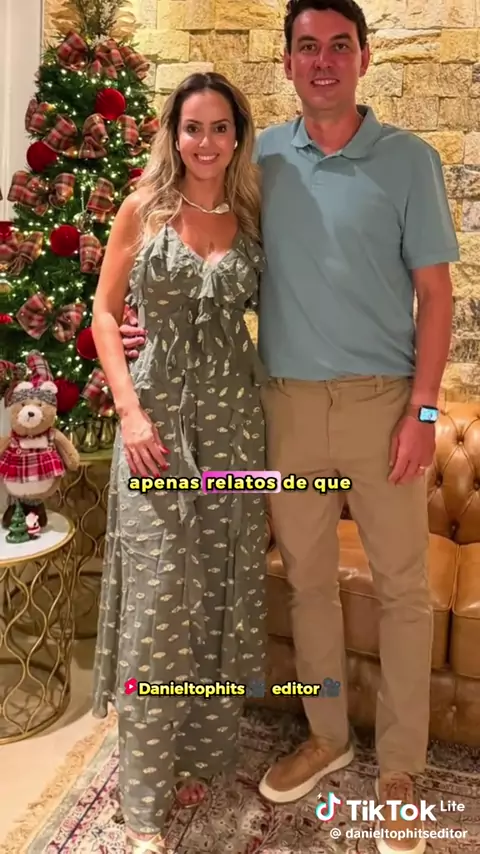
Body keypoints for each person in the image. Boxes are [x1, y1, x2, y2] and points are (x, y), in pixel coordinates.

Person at [119, 1, 459, 852]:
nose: (323, 60)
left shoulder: (410, 161)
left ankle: (401, 767)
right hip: (284, 409)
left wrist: (424, 411)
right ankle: (328, 735)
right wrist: (140, 323)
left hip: (384, 409)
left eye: (339, 45)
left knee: (403, 593)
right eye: (307, 46)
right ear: (287, 62)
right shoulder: (257, 160)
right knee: (307, 583)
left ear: (364, 57)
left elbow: (437, 296)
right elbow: (196, 245)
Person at [90, 72, 268, 853]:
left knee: (217, 595)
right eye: (193, 127)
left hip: (234, 427)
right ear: (173, 133)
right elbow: (104, 314)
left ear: (237, 137)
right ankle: (142, 800)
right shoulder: (144, 209)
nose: (206, 142)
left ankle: (193, 758)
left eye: (220, 128)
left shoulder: (252, 218)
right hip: (156, 427)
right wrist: (129, 410)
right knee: (159, 596)